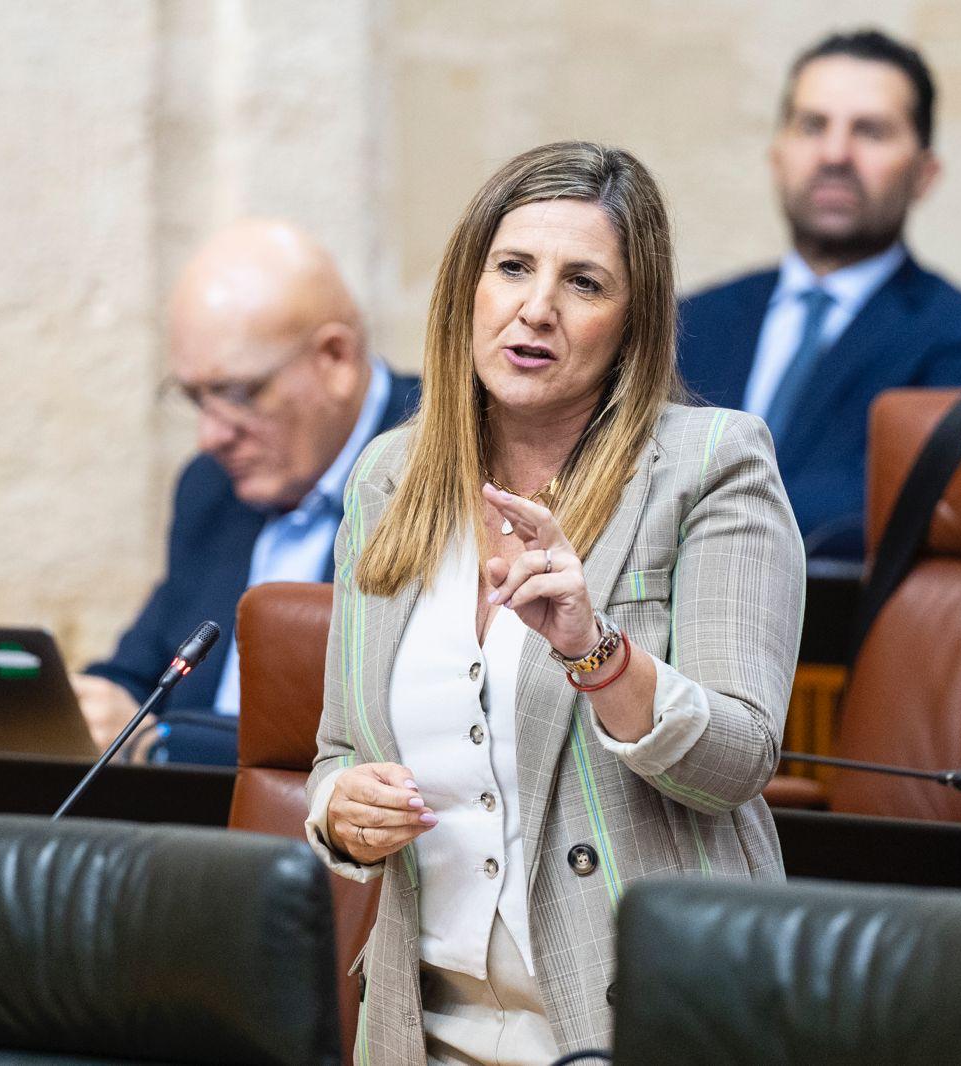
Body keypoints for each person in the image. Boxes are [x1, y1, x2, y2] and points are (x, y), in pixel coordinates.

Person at [304, 142, 804, 1063]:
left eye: (584, 283)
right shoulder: (388, 479)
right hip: (424, 1030)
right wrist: (339, 810)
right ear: (469, 288)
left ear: (633, 322)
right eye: (514, 268)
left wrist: (596, 650)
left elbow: (738, 760)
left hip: (640, 1021)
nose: (537, 308)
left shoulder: (710, 466)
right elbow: (340, 749)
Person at [677, 28, 961, 560]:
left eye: (870, 131)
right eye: (812, 125)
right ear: (777, 154)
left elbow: (898, 512)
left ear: (924, 173)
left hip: (838, 635)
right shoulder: (688, 323)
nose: (835, 153)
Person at [74, 220, 420, 764]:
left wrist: (160, 744)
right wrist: (78, 707)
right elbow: (139, 680)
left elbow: (381, 735)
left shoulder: (440, 466)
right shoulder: (211, 487)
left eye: (239, 393)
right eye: (195, 397)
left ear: (334, 359)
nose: (211, 436)